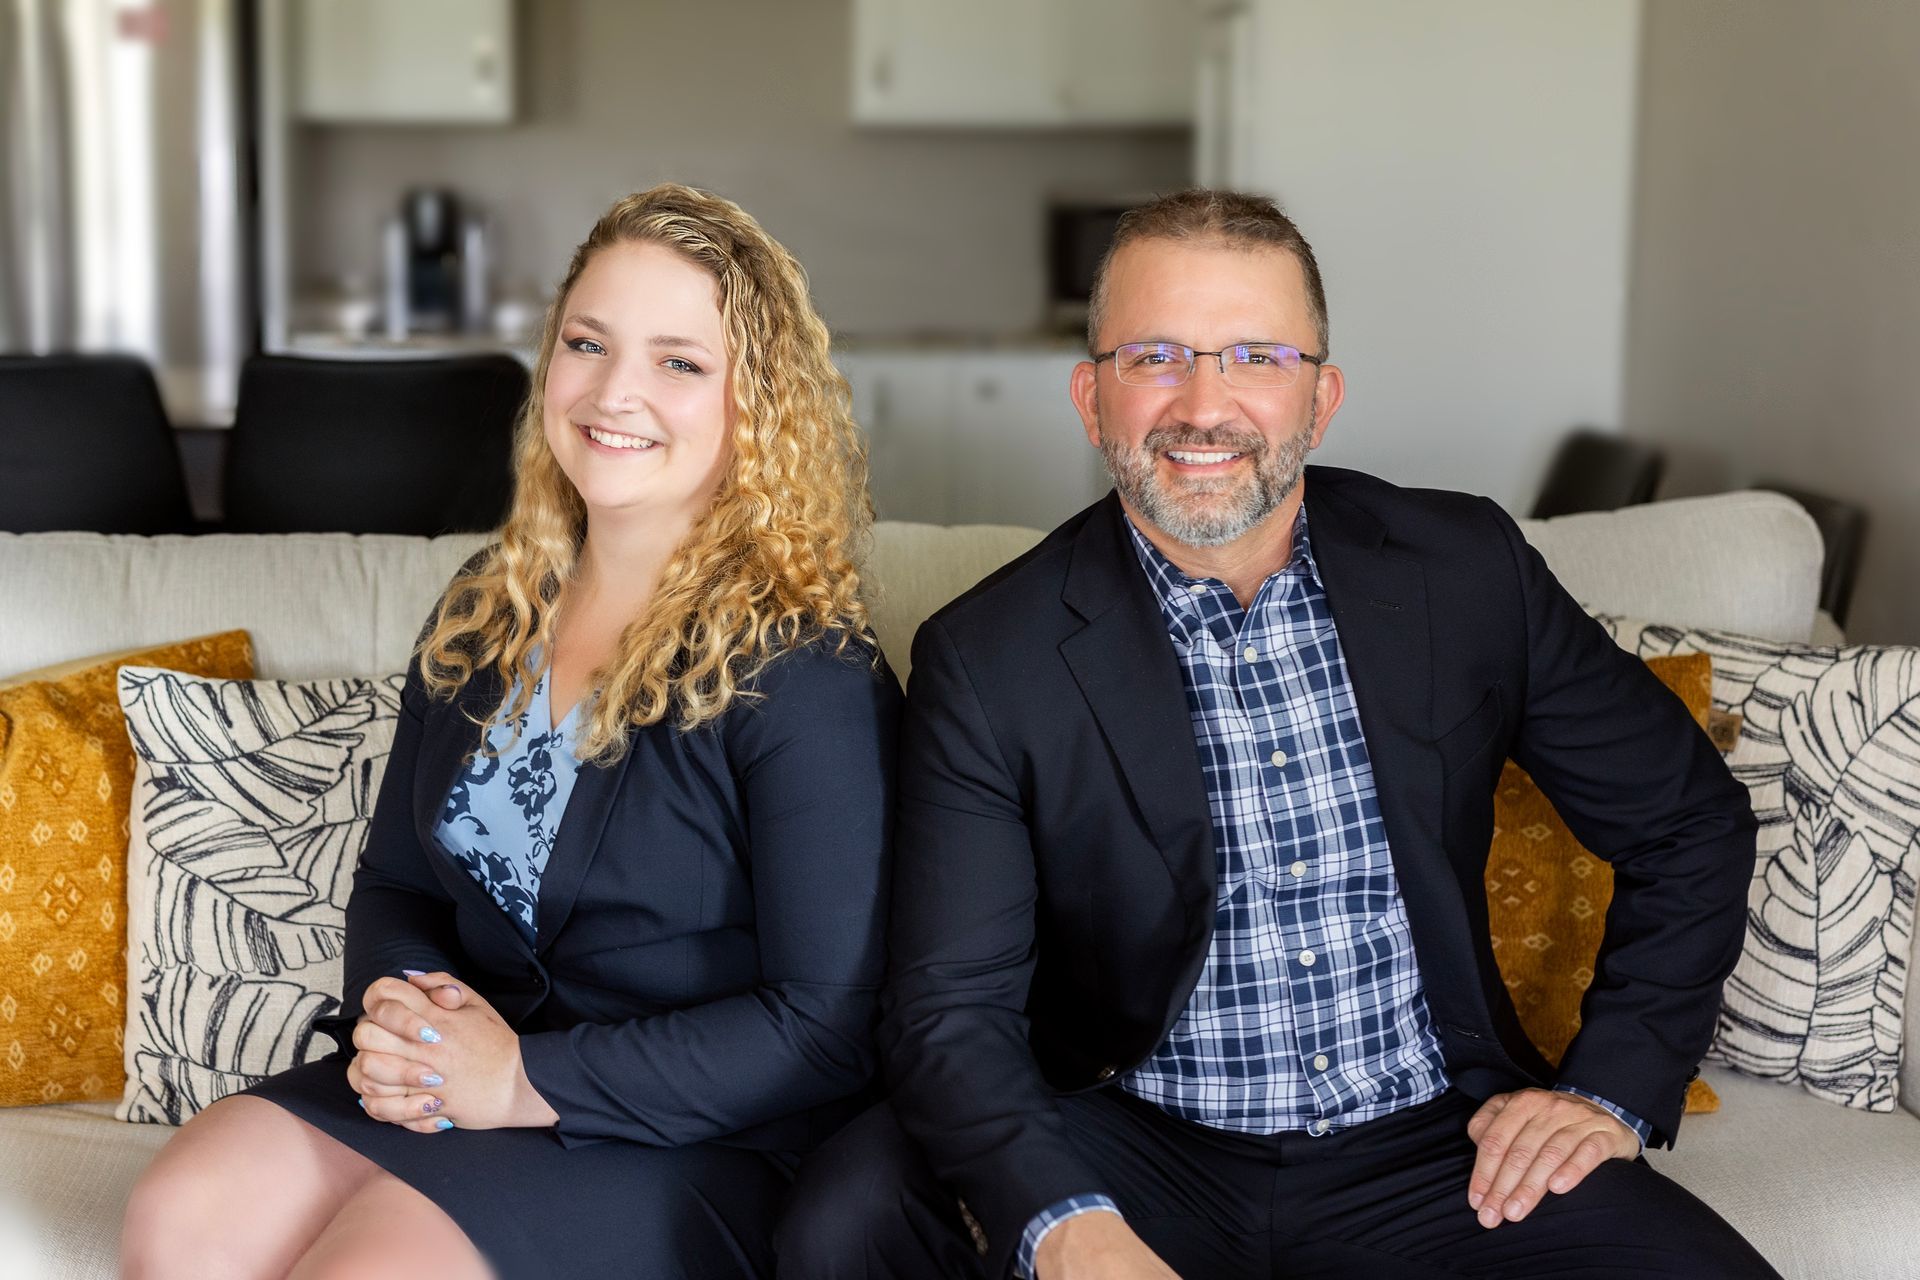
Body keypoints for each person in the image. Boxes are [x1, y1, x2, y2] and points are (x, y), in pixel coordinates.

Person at [778, 189, 1780, 1280]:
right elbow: (951, 1007)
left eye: (1256, 356)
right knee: (850, 1212)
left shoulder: (1464, 569)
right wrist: (1064, 1220)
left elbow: (1687, 819)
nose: (1202, 405)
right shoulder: (990, 651)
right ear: (1091, 394)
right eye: (1154, 356)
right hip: (1134, 1134)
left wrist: (1608, 1088)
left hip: (1436, 1146)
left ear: (1321, 394)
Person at [121, 184, 901, 1280]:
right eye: (589, 343)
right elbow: (395, 881)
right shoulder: (489, 604)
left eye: (679, 361)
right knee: (180, 1213)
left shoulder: (808, 670)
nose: (616, 390)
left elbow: (824, 1025)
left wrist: (520, 1081)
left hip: (669, 1132)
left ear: (754, 407)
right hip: (463, 1079)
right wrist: (405, 1015)